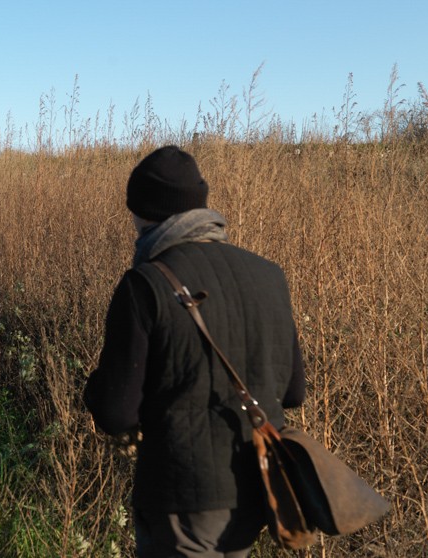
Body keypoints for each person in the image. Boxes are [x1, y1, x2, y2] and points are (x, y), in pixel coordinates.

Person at [83, 146, 306, 558]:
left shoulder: (145, 284)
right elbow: (292, 392)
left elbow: (116, 412)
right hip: (258, 488)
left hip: (183, 495)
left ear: (146, 211)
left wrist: (94, 391)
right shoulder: (269, 275)